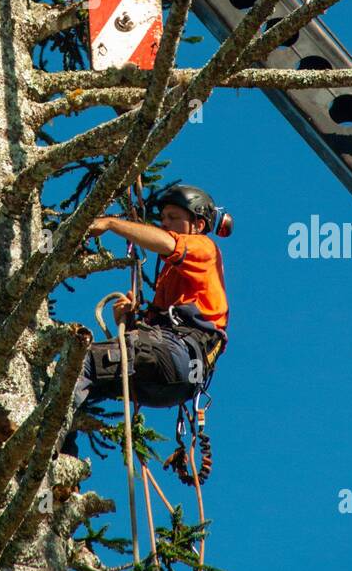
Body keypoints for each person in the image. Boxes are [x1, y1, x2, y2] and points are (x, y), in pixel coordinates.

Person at [60, 186, 230, 457]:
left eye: (173, 217)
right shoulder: (175, 278)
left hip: (177, 355)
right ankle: (61, 466)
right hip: (172, 378)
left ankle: (46, 446)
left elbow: (168, 243)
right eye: (163, 218)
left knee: (82, 360)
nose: (165, 223)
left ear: (198, 224)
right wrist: (130, 320)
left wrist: (111, 223)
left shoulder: (204, 248)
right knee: (83, 381)